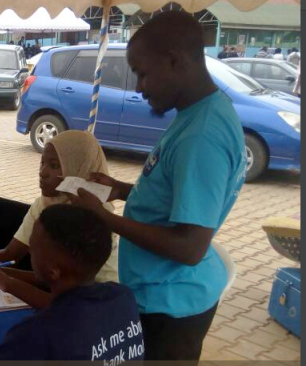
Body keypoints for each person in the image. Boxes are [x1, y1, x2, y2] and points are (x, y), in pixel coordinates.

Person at [69, 11, 246, 361]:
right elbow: (173, 200)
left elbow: (189, 247)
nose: (138, 88)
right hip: (164, 292)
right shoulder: (196, 113)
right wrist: (119, 189)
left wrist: (103, 217)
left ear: (174, 61)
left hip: (170, 305)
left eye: (142, 73)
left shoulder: (202, 136)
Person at [0, 205, 144, 361]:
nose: (29, 251)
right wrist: (6, 282)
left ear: (53, 272)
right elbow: (67, 309)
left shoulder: (37, 334)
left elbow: (60, 319)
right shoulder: (121, 297)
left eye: (33, 247)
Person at [0, 131, 119, 309]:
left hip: (92, 304)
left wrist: (3, 278)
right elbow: (11, 255)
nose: (43, 172)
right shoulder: (44, 204)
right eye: (42, 162)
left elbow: (69, 302)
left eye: (54, 166)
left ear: (79, 168)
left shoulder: (94, 219)